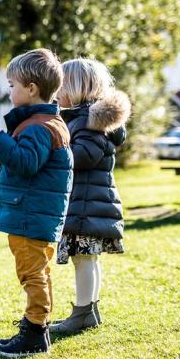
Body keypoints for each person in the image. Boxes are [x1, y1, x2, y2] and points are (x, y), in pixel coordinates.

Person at [0, 48, 73, 358]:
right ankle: (35, 328)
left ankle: (34, 334)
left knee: (33, 274)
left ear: (31, 89)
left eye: (11, 85)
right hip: (33, 213)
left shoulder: (39, 128)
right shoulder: (42, 122)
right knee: (36, 273)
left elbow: (25, 162)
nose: (9, 91)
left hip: (31, 216)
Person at [49, 58, 131, 334]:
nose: (56, 93)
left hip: (86, 206)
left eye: (61, 87)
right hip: (91, 202)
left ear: (76, 87)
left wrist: (56, 153)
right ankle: (89, 310)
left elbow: (85, 155)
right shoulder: (87, 118)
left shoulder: (86, 119)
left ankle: (83, 312)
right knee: (88, 259)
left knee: (83, 258)